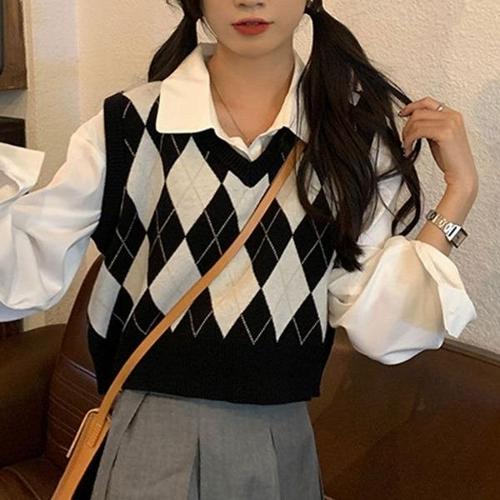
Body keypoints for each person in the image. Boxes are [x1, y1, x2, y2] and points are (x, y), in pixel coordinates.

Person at [0, 0, 479, 498]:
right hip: (152, 438)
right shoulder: (128, 126)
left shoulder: (349, 140)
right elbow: (17, 274)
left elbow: (383, 330)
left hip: (280, 444)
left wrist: (459, 191)